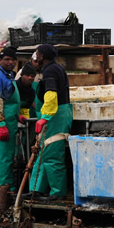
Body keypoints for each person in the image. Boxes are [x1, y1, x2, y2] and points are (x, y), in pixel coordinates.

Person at [28, 44, 73, 200]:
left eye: (37, 53)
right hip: (54, 114)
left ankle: (57, 193)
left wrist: (44, 117)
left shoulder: (51, 70)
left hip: (56, 116)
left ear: (42, 56)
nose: (35, 56)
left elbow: (51, 95)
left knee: (53, 154)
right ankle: (36, 189)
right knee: (41, 153)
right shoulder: (52, 69)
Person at [0, 47, 23, 191]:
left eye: (13, 59)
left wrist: (17, 115)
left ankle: (7, 185)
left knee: (8, 156)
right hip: (3, 124)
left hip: (10, 121)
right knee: (4, 158)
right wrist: (1, 123)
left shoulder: (9, 75)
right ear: (0, 60)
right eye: (7, 59)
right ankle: (3, 188)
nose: (11, 62)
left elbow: (10, 100)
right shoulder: (0, 75)